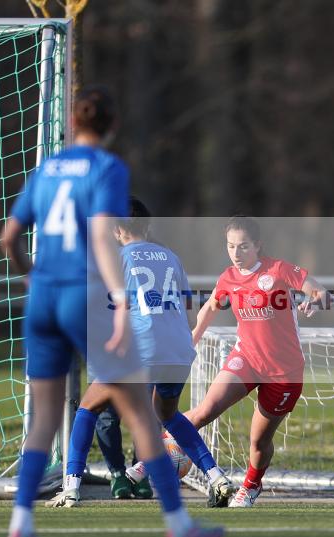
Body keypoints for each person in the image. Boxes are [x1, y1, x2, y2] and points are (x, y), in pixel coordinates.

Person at [0, 86, 223, 537]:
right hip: (82, 294)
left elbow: (8, 239)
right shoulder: (108, 169)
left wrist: (31, 279)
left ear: (73, 126)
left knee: (48, 415)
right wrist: (121, 301)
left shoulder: (45, 171)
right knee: (141, 414)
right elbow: (104, 240)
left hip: (44, 295)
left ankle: (22, 524)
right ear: (112, 127)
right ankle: (179, 527)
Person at [45, 197, 232, 508]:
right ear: (147, 226)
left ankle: (71, 488)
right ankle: (216, 477)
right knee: (168, 415)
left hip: (141, 349)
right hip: (178, 350)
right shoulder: (172, 257)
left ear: (117, 231)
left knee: (88, 408)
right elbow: (188, 315)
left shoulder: (116, 259)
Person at [186, 215, 331, 508]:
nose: (236, 254)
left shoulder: (278, 269)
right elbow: (211, 307)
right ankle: (156, 449)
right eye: (230, 246)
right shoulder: (227, 277)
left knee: (258, 442)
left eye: (243, 247)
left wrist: (314, 300)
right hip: (246, 358)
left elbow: (321, 292)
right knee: (205, 411)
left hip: (283, 372)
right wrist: (192, 339)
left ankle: (251, 486)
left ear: (258, 245)